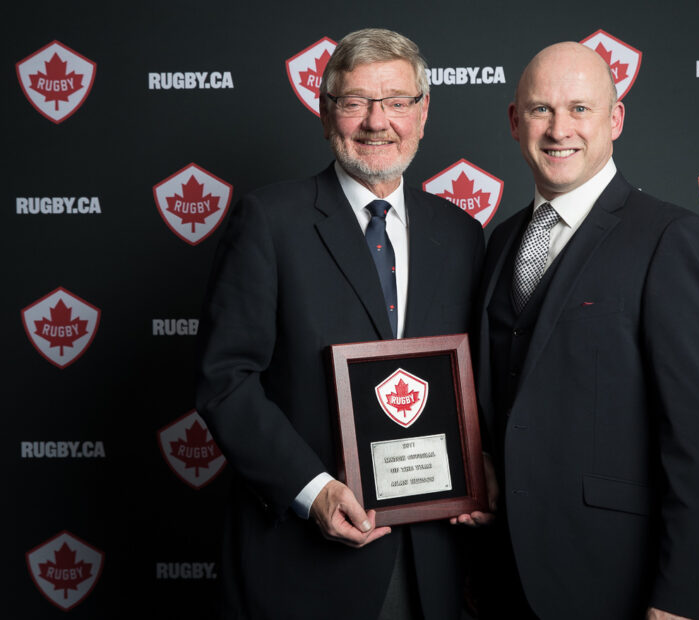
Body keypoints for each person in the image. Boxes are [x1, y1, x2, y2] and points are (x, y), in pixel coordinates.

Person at [195, 28, 485, 620]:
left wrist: (482, 475)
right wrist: (313, 491)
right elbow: (225, 380)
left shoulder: (460, 235)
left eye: (398, 102)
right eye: (355, 102)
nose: (378, 121)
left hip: (433, 561)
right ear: (327, 115)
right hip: (306, 564)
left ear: (423, 113)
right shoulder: (270, 222)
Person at [473, 42, 699, 619]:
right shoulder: (499, 242)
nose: (558, 128)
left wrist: (682, 599)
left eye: (579, 109)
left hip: (614, 581)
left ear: (614, 119)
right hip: (499, 577)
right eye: (540, 110)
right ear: (516, 122)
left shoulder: (670, 239)